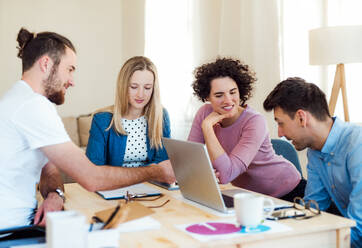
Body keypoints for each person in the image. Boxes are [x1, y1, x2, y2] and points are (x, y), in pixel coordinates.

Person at [0, 28, 175, 237]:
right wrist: (157, 171)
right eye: (69, 69)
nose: (72, 80)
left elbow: (50, 168)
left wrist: (54, 195)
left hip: (24, 222)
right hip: (12, 231)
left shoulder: (24, 100)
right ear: (46, 64)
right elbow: (91, 177)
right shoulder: (32, 106)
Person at [263, 77, 362, 248]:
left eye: (281, 123)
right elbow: (313, 209)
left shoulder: (357, 145)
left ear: (302, 118)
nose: (279, 133)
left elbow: (358, 230)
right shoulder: (315, 151)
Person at [188, 57, 304, 199]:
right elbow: (190, 160)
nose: (228, 100)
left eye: (233, 92)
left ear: (240, 91)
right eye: (219, 95)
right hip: (249, 196)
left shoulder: (254, 121)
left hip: (287, 191)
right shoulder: (205, 113)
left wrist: (207, 128)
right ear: (207, 96)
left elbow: (226, 174)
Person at [86, 56, 171, 170]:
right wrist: (147, 171)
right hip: (114, 186)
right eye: (134, 87)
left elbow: (163, 162)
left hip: (151, 185)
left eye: (147, 88)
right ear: (123, 86)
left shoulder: (161, 116)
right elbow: (94, 167)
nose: (141, 94)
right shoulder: (102, 119)